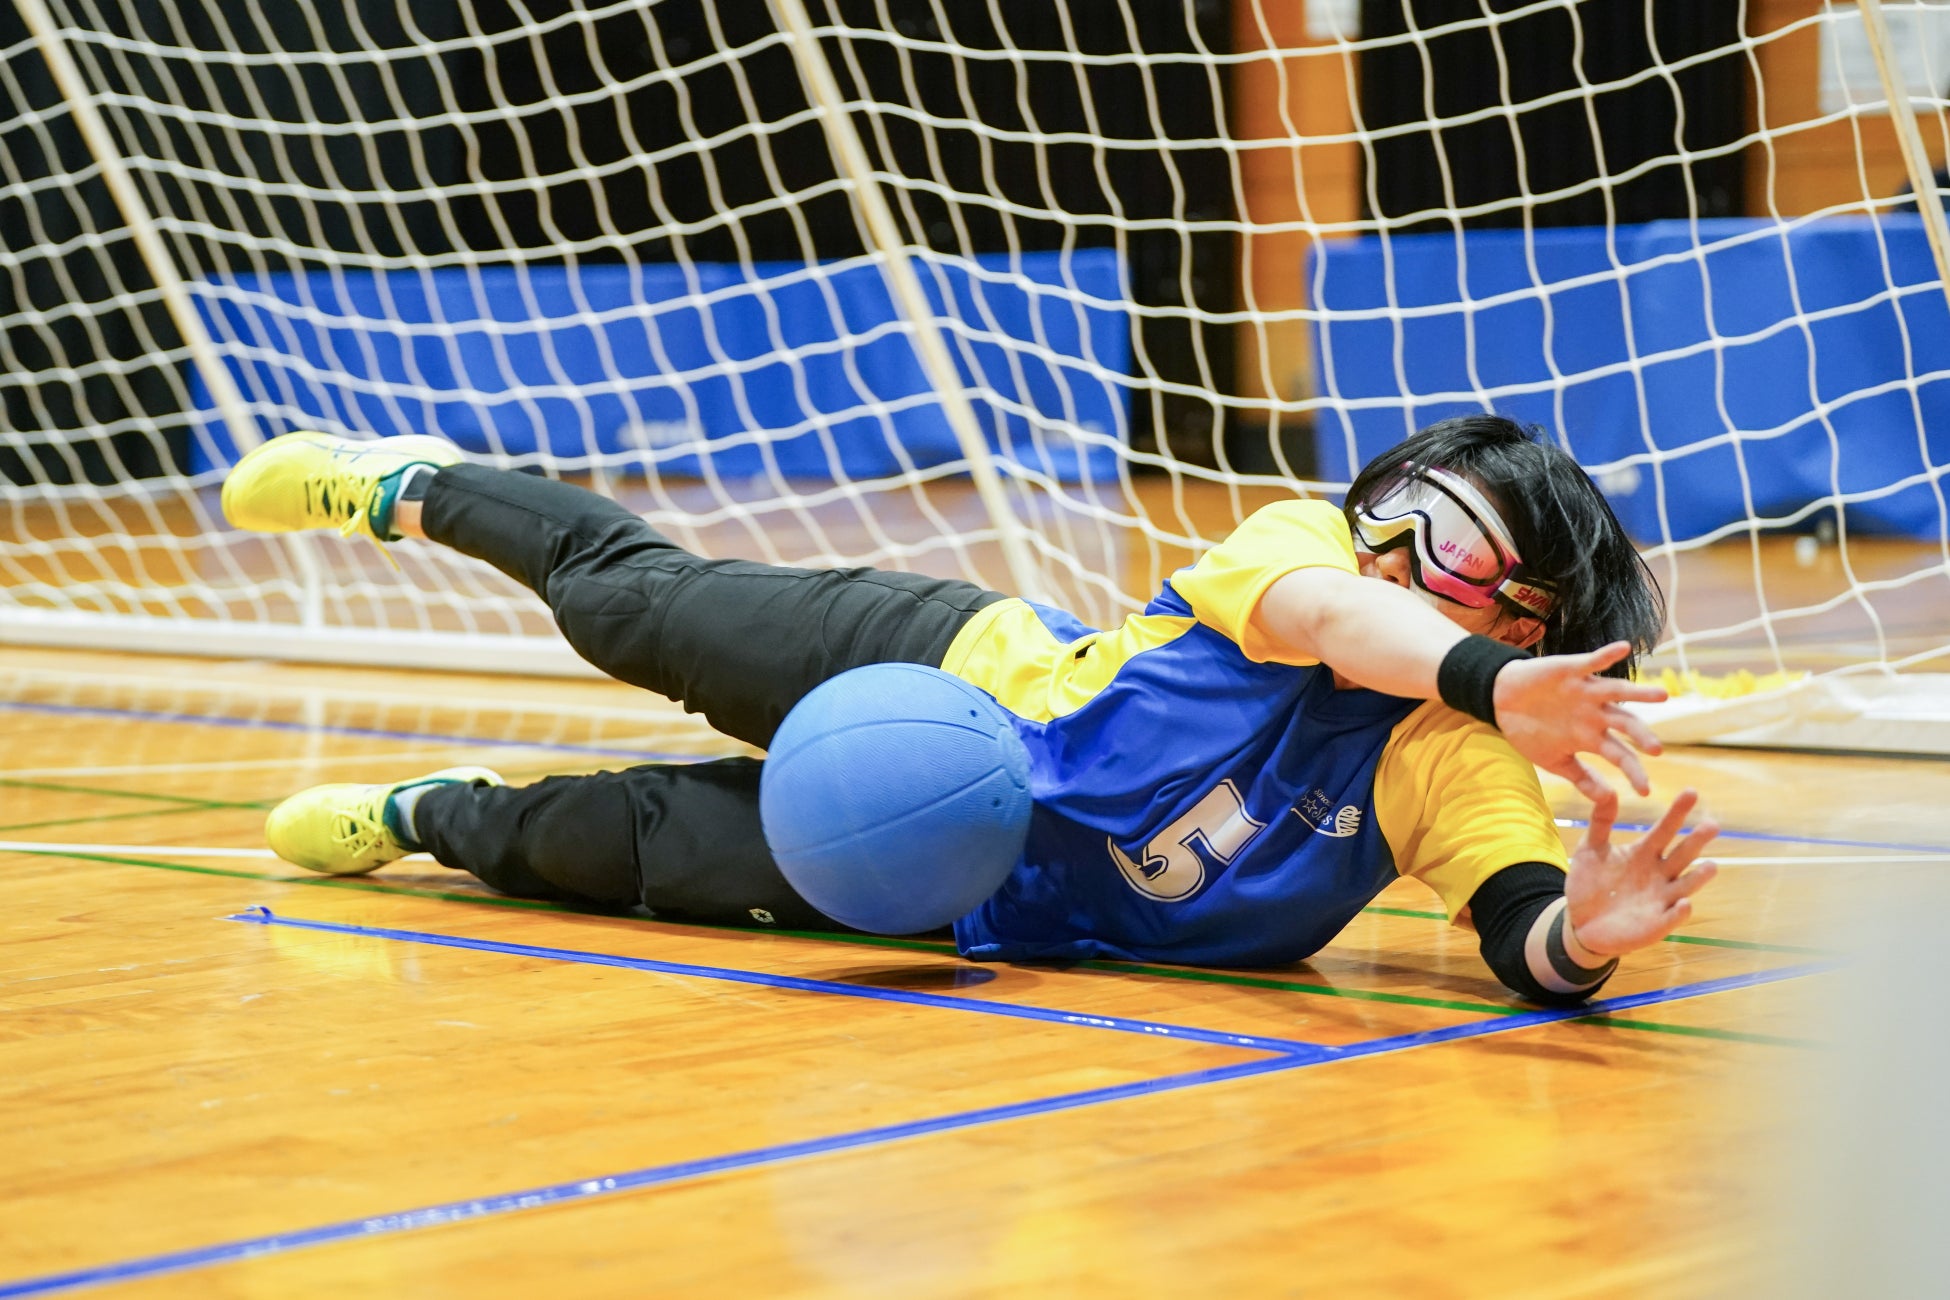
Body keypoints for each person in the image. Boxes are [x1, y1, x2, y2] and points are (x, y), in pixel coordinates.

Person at [222, 415, 1718, 1006]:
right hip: (942, 671)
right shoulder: (1298, 554)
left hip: (950, 890)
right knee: (633, 610)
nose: (1395, 547)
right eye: (1402, 505)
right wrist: (1479, 665)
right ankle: (411, 487)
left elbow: (1519, 923)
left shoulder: (1449, 764)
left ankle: (429, 816)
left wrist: (1576, 940)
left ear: (1528, 622)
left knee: (621, 847)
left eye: (1456, 550)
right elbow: (1345, 619)